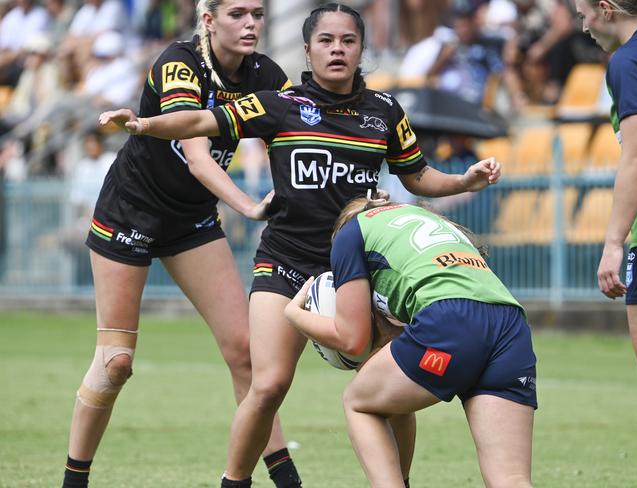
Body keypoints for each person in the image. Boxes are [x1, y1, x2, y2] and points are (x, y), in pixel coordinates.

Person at [99, 4, 502, 486]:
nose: (337, 49)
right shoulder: (279, 104)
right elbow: (199, 122)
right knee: (267, 385)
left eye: (348, 41)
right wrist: (143, 125)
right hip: (285, 264)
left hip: (357, 268)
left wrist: (465, 181)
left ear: (361, 50)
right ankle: (235, 482)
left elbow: (417, 175)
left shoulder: (385, 111)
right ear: (308, 50)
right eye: (326, 41)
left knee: (387, 386)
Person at [60, 1, 296, 488]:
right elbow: (197, 157)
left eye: (257, 13)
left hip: (189, 220)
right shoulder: (179, 64)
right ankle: (73, 481)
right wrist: (250, 207)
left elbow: (300, 135)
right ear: (208, 20)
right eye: (237, 13)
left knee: (246, 353)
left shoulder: (267, 73)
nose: (251, 23)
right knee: (115, 363)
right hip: (131, 209)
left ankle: (285, 482)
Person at [285, 197, 537, 487]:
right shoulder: (426, 222)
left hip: (452, 320)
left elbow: (351, 340)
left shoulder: (350, 233)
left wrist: (293, 315)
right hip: (511, 326)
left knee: (358, 401)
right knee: (510, 479)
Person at [574, 0, 637, 408]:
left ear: (606, 9)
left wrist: (613, 243)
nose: (582, 24)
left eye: (583, 13)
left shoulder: (630, 61)